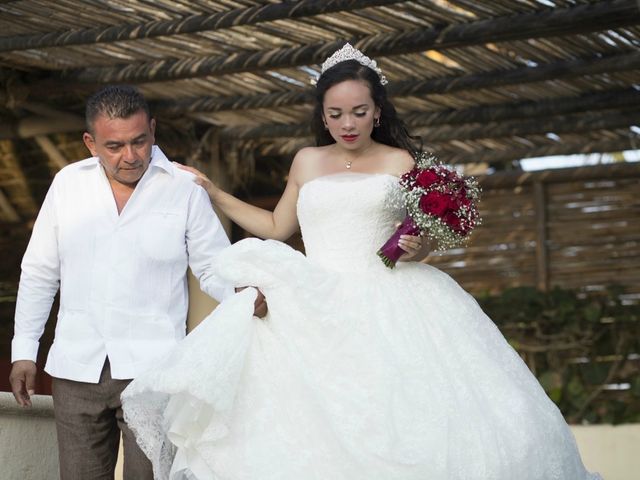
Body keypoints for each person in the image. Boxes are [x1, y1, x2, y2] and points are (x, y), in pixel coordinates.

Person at [121, 45, 601, 479]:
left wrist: (422, 246)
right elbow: (274, 227)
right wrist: (213, 191)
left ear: (377, 112)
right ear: (323, 116)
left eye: (358, 111)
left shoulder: (402, 163)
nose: (347, 123)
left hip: (392, 297)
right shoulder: (306, 161)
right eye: (335, 114)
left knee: (405, 421)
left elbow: (428, 231)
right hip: (310, 301)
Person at [9, 85, 237, 480]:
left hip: (154, 372)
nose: (130, 156)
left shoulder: (184, 189)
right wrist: (24, 350)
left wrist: (245, 296)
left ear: (152, 128)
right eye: (114, 146)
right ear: (90, 143)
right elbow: (40, 272)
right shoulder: (67, 185)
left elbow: (214, 267)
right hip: (76, 369)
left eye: (139, 141)